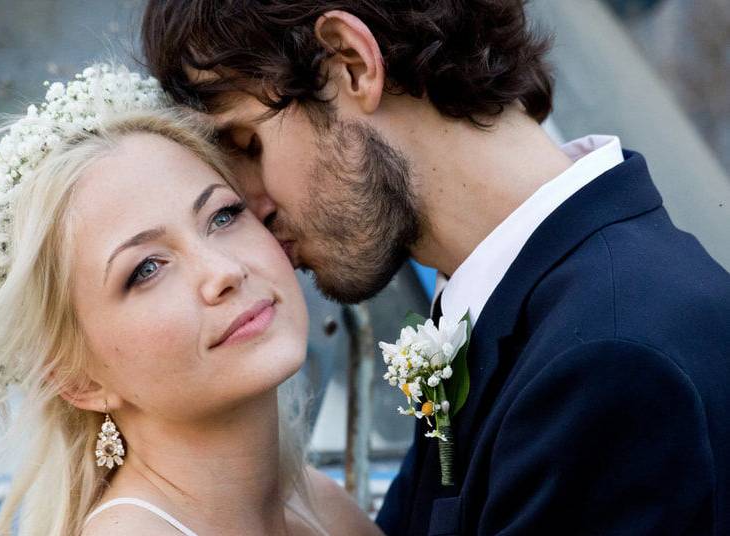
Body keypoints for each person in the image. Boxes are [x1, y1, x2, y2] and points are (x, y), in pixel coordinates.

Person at [141, 1, 730, 534]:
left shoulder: (611, 360)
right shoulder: (516, 310)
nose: (252, 207)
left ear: (351, 63)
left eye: (248, 144)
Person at [0, 65, 382, 536]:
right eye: (147, 269)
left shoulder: (322, 509)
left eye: (223, 215)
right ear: (77, 380)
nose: (224, 272)